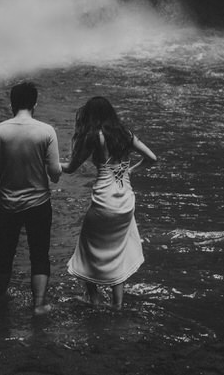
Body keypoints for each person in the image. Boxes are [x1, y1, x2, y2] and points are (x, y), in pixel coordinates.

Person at [63, 96, 157, 309]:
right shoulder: (126, 134)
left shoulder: (95, 137)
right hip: (125, 201)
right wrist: (129, 171)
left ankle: (93, 299)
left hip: (104, 201)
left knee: (87, 248)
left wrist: (49, 165)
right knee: (118, 251)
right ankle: (117, 305)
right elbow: (152, 158)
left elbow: (70, 167)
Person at [0, 81, 62, 313]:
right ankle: (39, 304)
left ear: (12, 104)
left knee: (4, 254)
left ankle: (0, 300)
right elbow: (55, 174)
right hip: (39, 204)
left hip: (8, 204)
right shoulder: (46, 131)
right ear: (35, 104)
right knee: (39, 254)